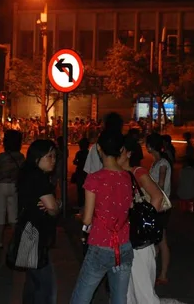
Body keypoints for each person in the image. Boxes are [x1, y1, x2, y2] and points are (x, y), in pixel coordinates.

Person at [71, 130, 133, 304]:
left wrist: (80, 216)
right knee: (119, 298)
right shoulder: (127, 177)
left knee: (82, 296)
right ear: (121, 149)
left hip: (101, 244)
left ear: (98, 148)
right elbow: (127, 208)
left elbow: (87, 219)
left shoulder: (94, 179)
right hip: (124, 245)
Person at [118, 137, 165, 304]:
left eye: (120, 150)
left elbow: (157, 197)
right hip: (124, 238)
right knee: (127, 292)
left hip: (139, 241)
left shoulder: (138, 172)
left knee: (143, 292)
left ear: (129, 153)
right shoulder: (118, 174)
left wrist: (144, 225)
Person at [17, 139, 60, 304]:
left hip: (26, 232)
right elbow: (53, 208)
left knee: (33, 281)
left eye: (55, 156)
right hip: (36, 235)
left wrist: (55, 204)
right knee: (46, 285)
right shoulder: (39, 178)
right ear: (37, 158)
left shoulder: (26, 173)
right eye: (49, 156)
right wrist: (56, 205)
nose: (53, 160)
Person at [146, 132, 172, 285]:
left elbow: (161, 184)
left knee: (161, 240)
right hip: (157, 205)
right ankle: (155, 271)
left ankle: (163, 274)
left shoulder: (162, 163)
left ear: (150, 146)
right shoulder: (156, 162)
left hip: (161, 207)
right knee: (156, 240)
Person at [0, 130, 25, 248]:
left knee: (0, 211)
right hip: (15, 186)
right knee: (13, 212)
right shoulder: (20, 157)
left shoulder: (2, 157)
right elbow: (22, 172)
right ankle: (15, 240)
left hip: (2, 185)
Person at [72, 138, 90, 209]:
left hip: (80, 172)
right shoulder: (89, 153)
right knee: (87, 189)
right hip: (86, 173)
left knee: (80, 189)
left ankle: (80, 204)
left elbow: (75, 161)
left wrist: (79, 163)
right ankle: (86, 204)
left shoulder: (79, 153)